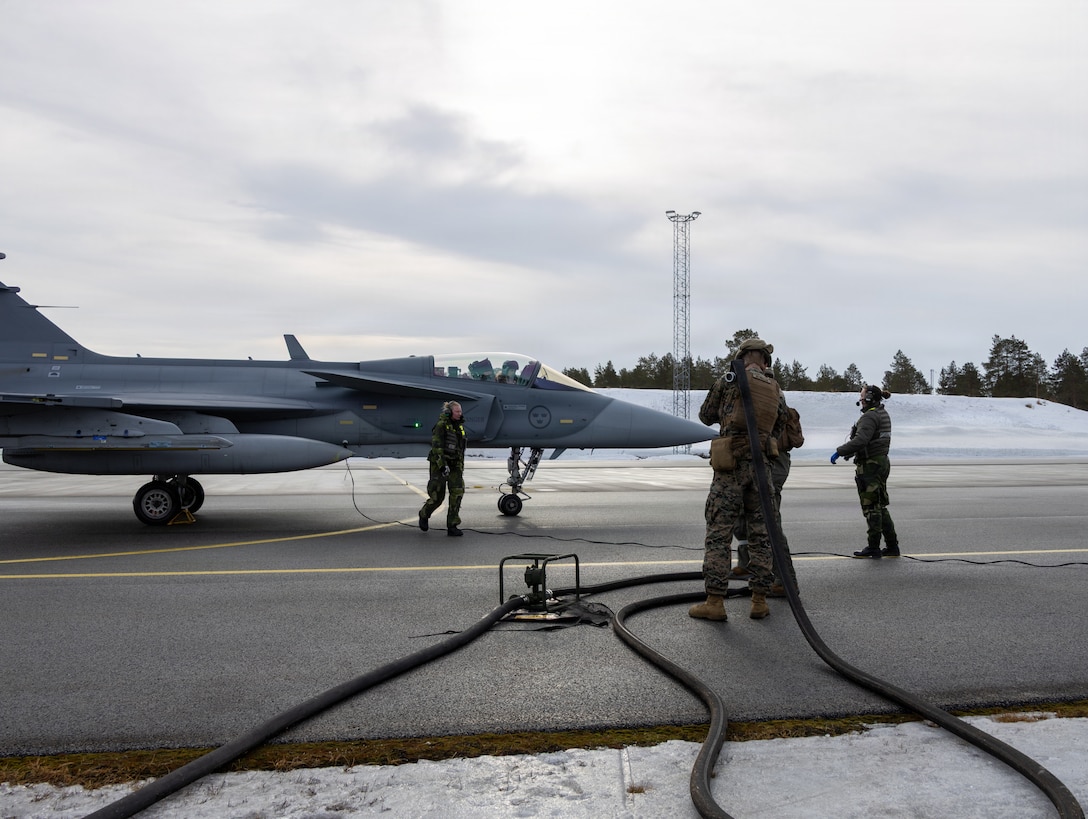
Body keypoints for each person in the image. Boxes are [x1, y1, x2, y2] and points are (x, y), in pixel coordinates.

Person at [691, 338, 788, 622]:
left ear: (741, 357)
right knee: (761, 536)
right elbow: (780, 428)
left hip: (731, 468)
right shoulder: (776, 390)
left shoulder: (729, 379)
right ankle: (759, 600)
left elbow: (706, 414)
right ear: (765, 361)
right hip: (762, 471)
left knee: (719, 534)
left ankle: (715, 602)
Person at [731, 397, 804, 596]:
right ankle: (747, 564)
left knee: (771, 526)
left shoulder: (776, 410)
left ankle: (786, 582)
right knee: (742, 515)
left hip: (774, 466)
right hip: (760, 466)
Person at [831, 385, 900, 558]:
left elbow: (861, 440)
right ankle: (892, 546)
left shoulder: (869, 416)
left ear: (869, 398)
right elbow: (870, 440)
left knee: (871, 507)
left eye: (861, 396)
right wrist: (853, 451)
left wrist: (840, 451)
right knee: (880, 506)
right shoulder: (881, 413)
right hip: (881, 462)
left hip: (871, 465)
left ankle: (873, 547)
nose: (860, 400)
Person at [419, 401, 467, 537]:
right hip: (440, 464)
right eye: (457, 411)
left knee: (457, 493)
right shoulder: (441, 426)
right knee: (437, 497)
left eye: (460, 411)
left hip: (455, 465)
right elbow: (437, 448)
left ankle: (452, 525)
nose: (460, 414)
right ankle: (424, 514)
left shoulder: (459, 427)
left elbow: (460, 448)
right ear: (449, 412)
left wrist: (459, 467)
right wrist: (443, 465)